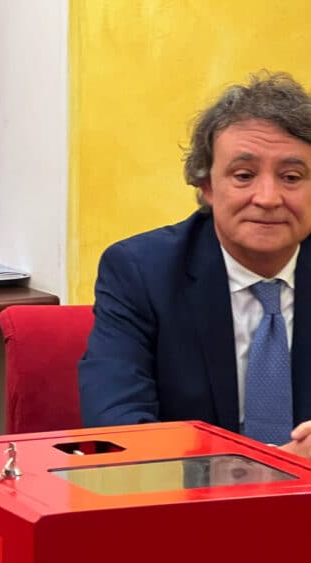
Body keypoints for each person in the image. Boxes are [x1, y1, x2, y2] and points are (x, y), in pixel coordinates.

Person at [78, 71, 311, 459]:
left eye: (291, 177)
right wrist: (256, 466)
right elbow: (116, 428)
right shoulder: (140, 272)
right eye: (244, 175)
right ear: (206, 186)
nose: (268, 198)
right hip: (192, 489)